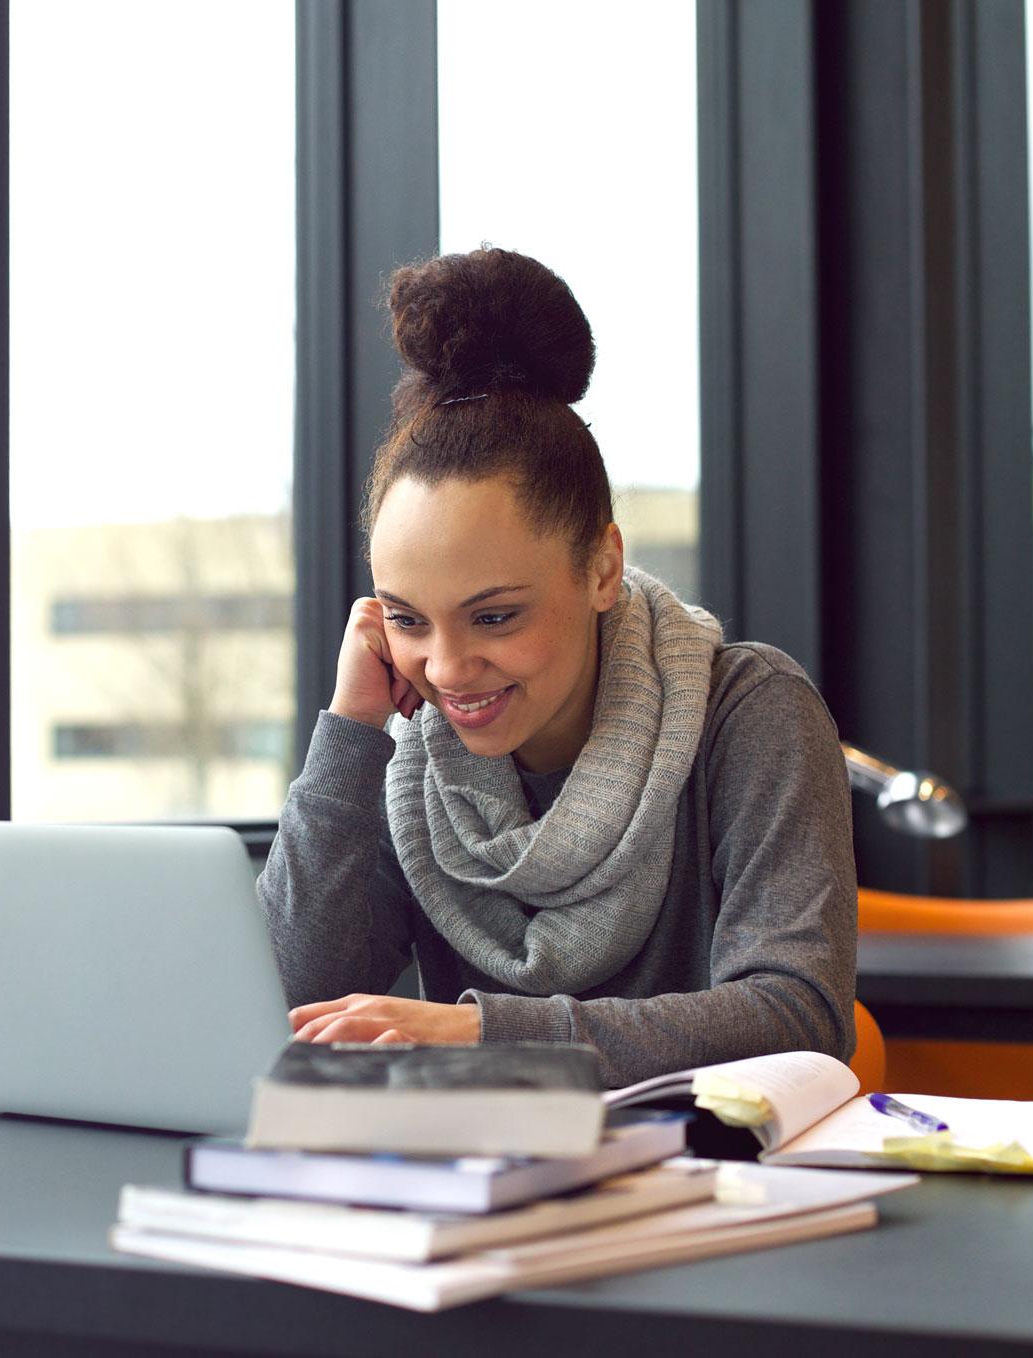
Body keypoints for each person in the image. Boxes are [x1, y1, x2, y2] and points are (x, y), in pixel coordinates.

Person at [259, 246, 856, 1087]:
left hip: (705, 1187)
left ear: (602, 567)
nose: (450, 668)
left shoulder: (750, 710)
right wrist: (350, 737)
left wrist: (483, 1035)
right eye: (407, 618)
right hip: (474, 1185)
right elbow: (277, 1003)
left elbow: (799, 1014)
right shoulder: (415, 770)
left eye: (494, 616)